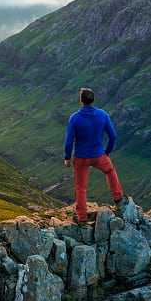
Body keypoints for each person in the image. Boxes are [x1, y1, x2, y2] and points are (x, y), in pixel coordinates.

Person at [63, 88, 124, 222]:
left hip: (81, 157)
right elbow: (113, 136)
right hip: (99, 155)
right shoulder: (102, 115)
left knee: (81, 187)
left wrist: (67, 157)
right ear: (93, 99)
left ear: (81, 100)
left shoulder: (75, 118)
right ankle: (118, 197)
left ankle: (82, 217)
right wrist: (107, 152)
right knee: (110, 171)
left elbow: (68, 141)